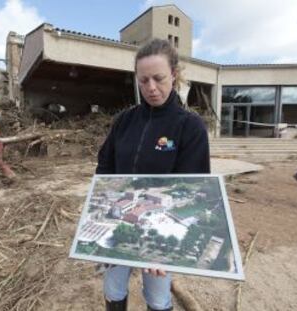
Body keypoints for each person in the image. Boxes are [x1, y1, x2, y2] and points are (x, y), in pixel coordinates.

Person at [96, 38, 210, 311]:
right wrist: (100, 208)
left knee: (158, 297)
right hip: (120, 218)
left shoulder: (189, 127)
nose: (151, 88)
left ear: (174, 74)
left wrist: (167, 247)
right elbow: (104, 168)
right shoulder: (124, 121)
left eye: (158, 78)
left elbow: (193, 188)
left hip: (158, 222)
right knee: (113, 288)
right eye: (143, 80)